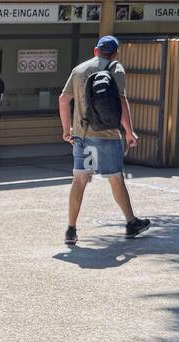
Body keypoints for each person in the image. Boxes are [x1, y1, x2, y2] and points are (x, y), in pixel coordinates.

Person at [58, 35, 151, 245]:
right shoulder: (115, 68)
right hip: (107, 136)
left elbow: (64, 99)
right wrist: (129, 132)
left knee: (80, 180)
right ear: (115, 53)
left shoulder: (79, 70)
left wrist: (67, 130)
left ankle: (71, 230)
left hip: (82, 136)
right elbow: (121, 102)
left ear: (95, 51)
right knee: (115, 178)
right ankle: (131, 223)